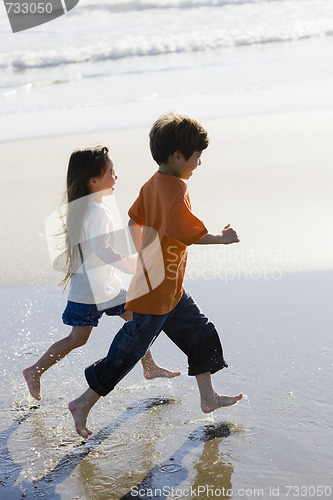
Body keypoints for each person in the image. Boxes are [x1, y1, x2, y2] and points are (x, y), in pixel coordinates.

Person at [69, 113, 243, 439]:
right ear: (178, 156)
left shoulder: (153, 183)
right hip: (156, 291)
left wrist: (142, 254)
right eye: (197, 157)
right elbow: (184, 231)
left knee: (200, 332)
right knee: (129, 350)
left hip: (169, 285)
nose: (199, 163)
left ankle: (207, 396)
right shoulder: (175, 189)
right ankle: (83, 402)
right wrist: (221, 238)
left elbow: (135, 220)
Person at [23, 145, 180, 401]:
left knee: (137, 321)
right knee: (78, 338)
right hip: (91, 292)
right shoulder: (95, 210)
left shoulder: (88, 207)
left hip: (102, 286)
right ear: (94, 181)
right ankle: (35, 371)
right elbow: (103, 250)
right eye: (111, 173)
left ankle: (148, 366)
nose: (115, 177)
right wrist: (131, 265)